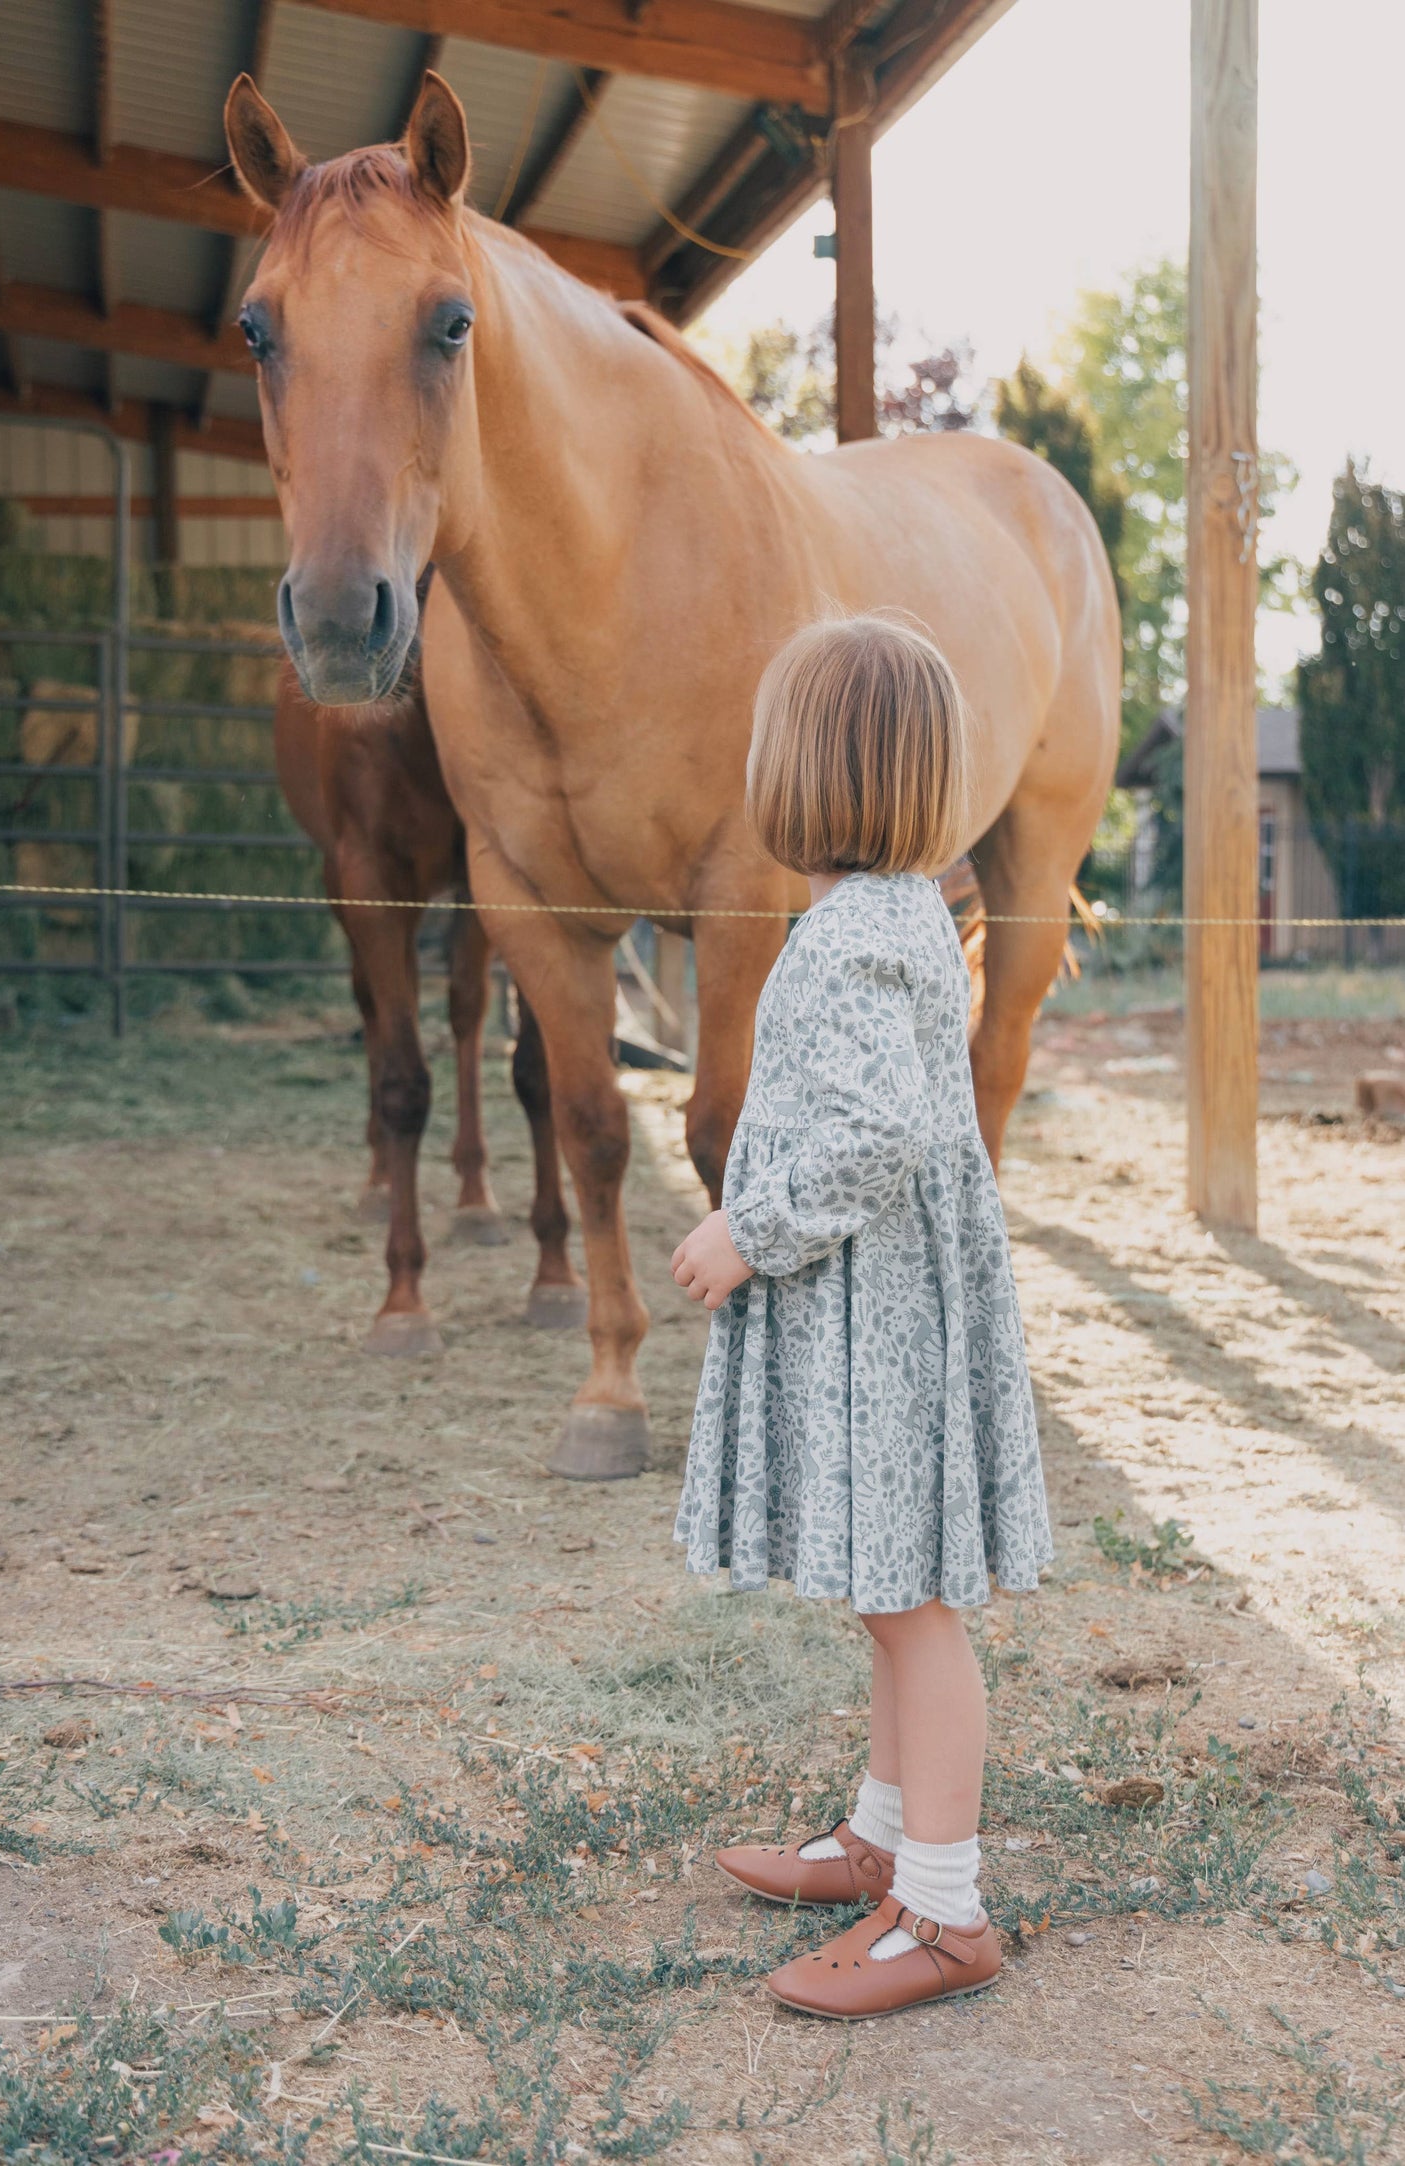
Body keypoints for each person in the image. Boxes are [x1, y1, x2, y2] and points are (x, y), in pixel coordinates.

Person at [671, 611, 1050, 2019]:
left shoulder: (850, 938)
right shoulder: (896, 914)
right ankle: (883, 1836)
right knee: (888, 1592)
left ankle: (942, 1910)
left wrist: (746, 1231)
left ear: (805, 770)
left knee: (910, 1606)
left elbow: (878, 1132)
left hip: (883, 1322)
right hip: (888, 1316)